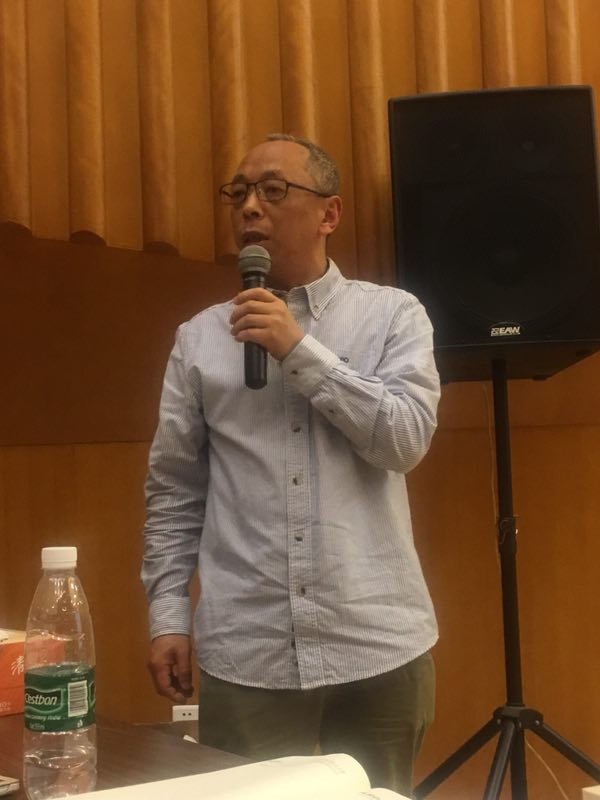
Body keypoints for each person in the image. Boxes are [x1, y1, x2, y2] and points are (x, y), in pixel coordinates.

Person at [142, 134, 440, 795]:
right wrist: (168, 616)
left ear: (329, 213)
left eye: (274, 190)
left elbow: (405, 441)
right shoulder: (198, 340)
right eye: (239, 193)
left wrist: (299, 351)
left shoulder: (393, 315)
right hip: (249, 649)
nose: (250, 207)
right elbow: (174, 493)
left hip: (377, 641)